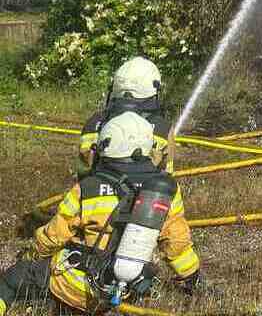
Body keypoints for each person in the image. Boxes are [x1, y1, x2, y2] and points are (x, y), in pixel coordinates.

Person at [0, 112, 200, 315]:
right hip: (126, 292)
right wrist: (193, 278)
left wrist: (32, 255)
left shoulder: (88, 188)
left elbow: (54, 235)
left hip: (77, 286)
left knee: (13, 279)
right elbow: (177, 244)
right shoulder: (163, 192)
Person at [79, 57, 172, 174]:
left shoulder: (92, 124)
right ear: (154, 89)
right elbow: (167, 178)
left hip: (94, 189)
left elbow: (82, 172)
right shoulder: (162, 127)